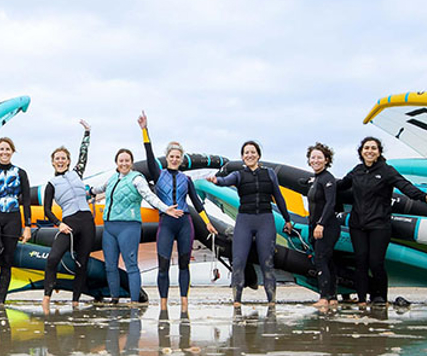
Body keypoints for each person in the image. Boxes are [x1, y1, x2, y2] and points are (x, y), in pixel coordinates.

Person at [137, 112, 218, 311]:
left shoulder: (186, 179)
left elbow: (197, 203)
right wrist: (145, 131)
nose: (174, 159)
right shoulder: (158, 174)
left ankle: (184, 302)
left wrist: (207, 222)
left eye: (177, 157)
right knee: (163, 265)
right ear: (167, 158)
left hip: (184, 223)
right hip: (166, 222)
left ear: (181, 159)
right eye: (171, 156)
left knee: (184, 265)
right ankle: (163, 304)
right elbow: (148, 157)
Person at [338, 136, 427, 306]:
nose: (370, 151)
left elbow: (405, 187)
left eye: (373, 148)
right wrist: (320, 186)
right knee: (361, 261)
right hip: (358, 224)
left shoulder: (387, 171)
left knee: (376, 262)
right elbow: (341, 185)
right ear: (361, 152)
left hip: (380, 225)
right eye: (366, 148)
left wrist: (423, 197)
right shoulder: (356, 170)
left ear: (379, 152)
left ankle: (380, 298)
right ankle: (362, 298)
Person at [206, 141, 293, 305]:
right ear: (242, 157)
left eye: (253, 152)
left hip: (265, 220)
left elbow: (279, 197)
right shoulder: (238, 175)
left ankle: (272, 301)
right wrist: (216, 180)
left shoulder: (269, 174)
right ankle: (237, 301)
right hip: (245, 221)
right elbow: (226, 180)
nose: (249, 155)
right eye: (246, 153)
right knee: (238, 261)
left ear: (258, 155)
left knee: (267, 261)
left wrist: (287, 219)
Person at [91, 148, 181, 305]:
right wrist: (87, 191)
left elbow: (149, 196)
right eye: (121, 161)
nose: (124, 163)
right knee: (110, 265)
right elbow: (97, 190)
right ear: (117, 163)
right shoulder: (112, 179)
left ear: (131, 163)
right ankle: (114, 298)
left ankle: (134, 301)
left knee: (131, 264)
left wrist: (165, 208)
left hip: (129, 226)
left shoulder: (137, 179)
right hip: (110, 226)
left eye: (127, 161)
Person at [42, 120, 95, 310]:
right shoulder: (51, 183)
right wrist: (59, 224)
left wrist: (87, 133)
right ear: (53, 161)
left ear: (68, 161)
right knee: (53, 258)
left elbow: (84, 154)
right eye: (57, 158)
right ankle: (46, 297)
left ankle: (75, 301)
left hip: (87, 221)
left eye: (64, 158)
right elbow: (47, 209)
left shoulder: (77, 173)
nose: (61, 160)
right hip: (69, 223)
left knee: (82, 262)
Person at [0, 137, 32, 308]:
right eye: (1, 149)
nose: (4, 152)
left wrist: (28, 227)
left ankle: (1, 300)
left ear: (12, 151)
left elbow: (26, 202)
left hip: (13, 217)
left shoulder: (20, 173)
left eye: (8, 149)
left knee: (7, 260)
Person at [305, 143, 339, 309]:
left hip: (327, 226)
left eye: (319, 157)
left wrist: (321, 224)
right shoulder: (316, 179)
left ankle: (324, 297)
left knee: (321, 260)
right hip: (317, 226)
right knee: (328, 260)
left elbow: (330, 203)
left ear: (326, 160)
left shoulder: (328, 178)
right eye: (313, 157)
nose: (316, 160)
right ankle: (332, 297)